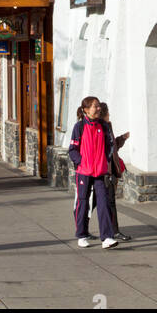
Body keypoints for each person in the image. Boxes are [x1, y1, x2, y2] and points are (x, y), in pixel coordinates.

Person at [68, 96, 118, 248]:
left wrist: (105, 159)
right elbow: (72, 150)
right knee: (83, 203)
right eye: (95, 106)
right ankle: (82, 235)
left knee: (103, 202)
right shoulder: (79, 127)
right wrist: (81, 162)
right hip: (84, 172)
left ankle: (107, 237)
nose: (98, 109)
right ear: (86, 110)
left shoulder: (104, 126)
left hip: (100, 172)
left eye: (98, 106)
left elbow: (110, 146)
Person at [98, 102, 131, 242]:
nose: (109, 115)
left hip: (109, 170)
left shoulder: (107, 126)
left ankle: (112, 230)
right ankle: (112, 232)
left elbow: (113, 146)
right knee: (106, 202)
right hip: (104, 170)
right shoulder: (99, 128)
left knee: (106, 201)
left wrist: (122, 138)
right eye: (108, 113)